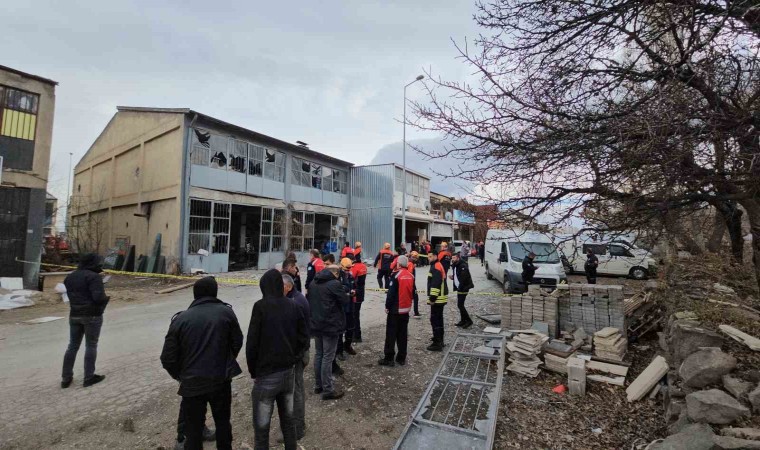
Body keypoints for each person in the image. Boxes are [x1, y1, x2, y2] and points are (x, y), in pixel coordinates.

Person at [160, 277, 243, 450]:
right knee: (222, 423)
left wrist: (181, 375)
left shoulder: (180, 319)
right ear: (215, 292)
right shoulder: (226, 312)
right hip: (220, 379)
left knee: (193, 430)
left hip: (192, 384)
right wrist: (226, 361)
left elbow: (168, 358)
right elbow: (237, 341)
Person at [246, 269, 309, 450]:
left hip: (266, 375)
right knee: (288, 423)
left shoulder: (260, 307)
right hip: (288, 373)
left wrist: (254, 371)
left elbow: (252, 344)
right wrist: (294, 358)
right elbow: (304, 338)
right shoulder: (293, 305)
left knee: (262, 429)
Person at [61, 253, 110, 389]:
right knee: (91, 345)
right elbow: (98, 297)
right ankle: (89, 377)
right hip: (92, 315)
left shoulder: (70, 277)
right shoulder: (94, 277)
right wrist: (106, 300)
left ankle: (66, 378)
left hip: (74, 314)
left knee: (72, 345)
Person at [307, 265, 350, 400]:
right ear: (336, 273)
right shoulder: (334, 283)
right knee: (328, 357)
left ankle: (318, 385)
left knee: (319, 354)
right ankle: (328, 389)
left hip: (316, 324)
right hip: (330, 325)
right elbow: (345, 300)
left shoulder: (313, 282)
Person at [282, 273, 310, 441]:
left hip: (297, 354)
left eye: (280, 287)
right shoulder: (295, 299)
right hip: (298, 352)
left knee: (296, 390)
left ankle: (298, 427)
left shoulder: (295, 302)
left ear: (288, 286)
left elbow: (298, 333)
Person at [378, 256, 415, 367]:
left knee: (391, 334)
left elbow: (391, 294)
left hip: (395, 310)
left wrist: (387, 306)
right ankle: (401, 357)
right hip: (405, 310)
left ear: (399, 264)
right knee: (403, 335)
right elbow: (413, 292)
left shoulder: (396, 276)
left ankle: (389, 358)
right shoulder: (411, 276)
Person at [426, 253, 449, 351]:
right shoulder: (438, 265)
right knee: (439, 319)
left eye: (430, 256)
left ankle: (437, 343)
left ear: (435, 256)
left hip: (437, 299)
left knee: (435, 320)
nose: (429, 258)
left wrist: (432, 299)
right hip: (441, 297)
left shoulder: (435, 266)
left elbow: (435, 284)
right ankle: (440, 340)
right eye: (428, 257)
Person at [336, 258, 356, 360]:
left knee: (351, 327)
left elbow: (354, 286)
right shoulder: (338, 277)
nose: (348, 270)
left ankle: (347, 345)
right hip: (342, 307)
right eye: (347, 269)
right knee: (340, 330)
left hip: (350, 306)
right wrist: (347, 290)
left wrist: (354, 291)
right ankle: (339, 351)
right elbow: (338, 289)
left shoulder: (351, 276)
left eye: (350, 268)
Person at [450, 254, 475, 329]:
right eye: (452, 258)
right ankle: (463, 320)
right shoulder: (455, 265)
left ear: (458, 258)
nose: (452, 259)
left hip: (464, 288)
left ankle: (469, 321)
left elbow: (464, 278)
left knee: (460, 305)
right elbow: (458, 275)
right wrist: (453, 277)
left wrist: (460, 287)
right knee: (460, 305)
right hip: (459, 288)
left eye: (454, 258)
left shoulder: (463, 265)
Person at [349, 256, 368, 343]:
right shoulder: (363, 266)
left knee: (354, 315)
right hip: (361, 293)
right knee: (356, 315)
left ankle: (356, 335)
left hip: (355, 294)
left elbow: (351, 279)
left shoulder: (354, 268)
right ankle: (356, 335)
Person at [408, 251, 422, 319]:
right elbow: (410, 275)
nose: (416, 260)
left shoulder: (409, 262)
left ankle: (407, 312)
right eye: (416, 258)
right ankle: (416, 313)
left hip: (409, 284)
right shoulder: (410, 264)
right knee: (415, 298)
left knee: (408, 298)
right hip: (411, 284)